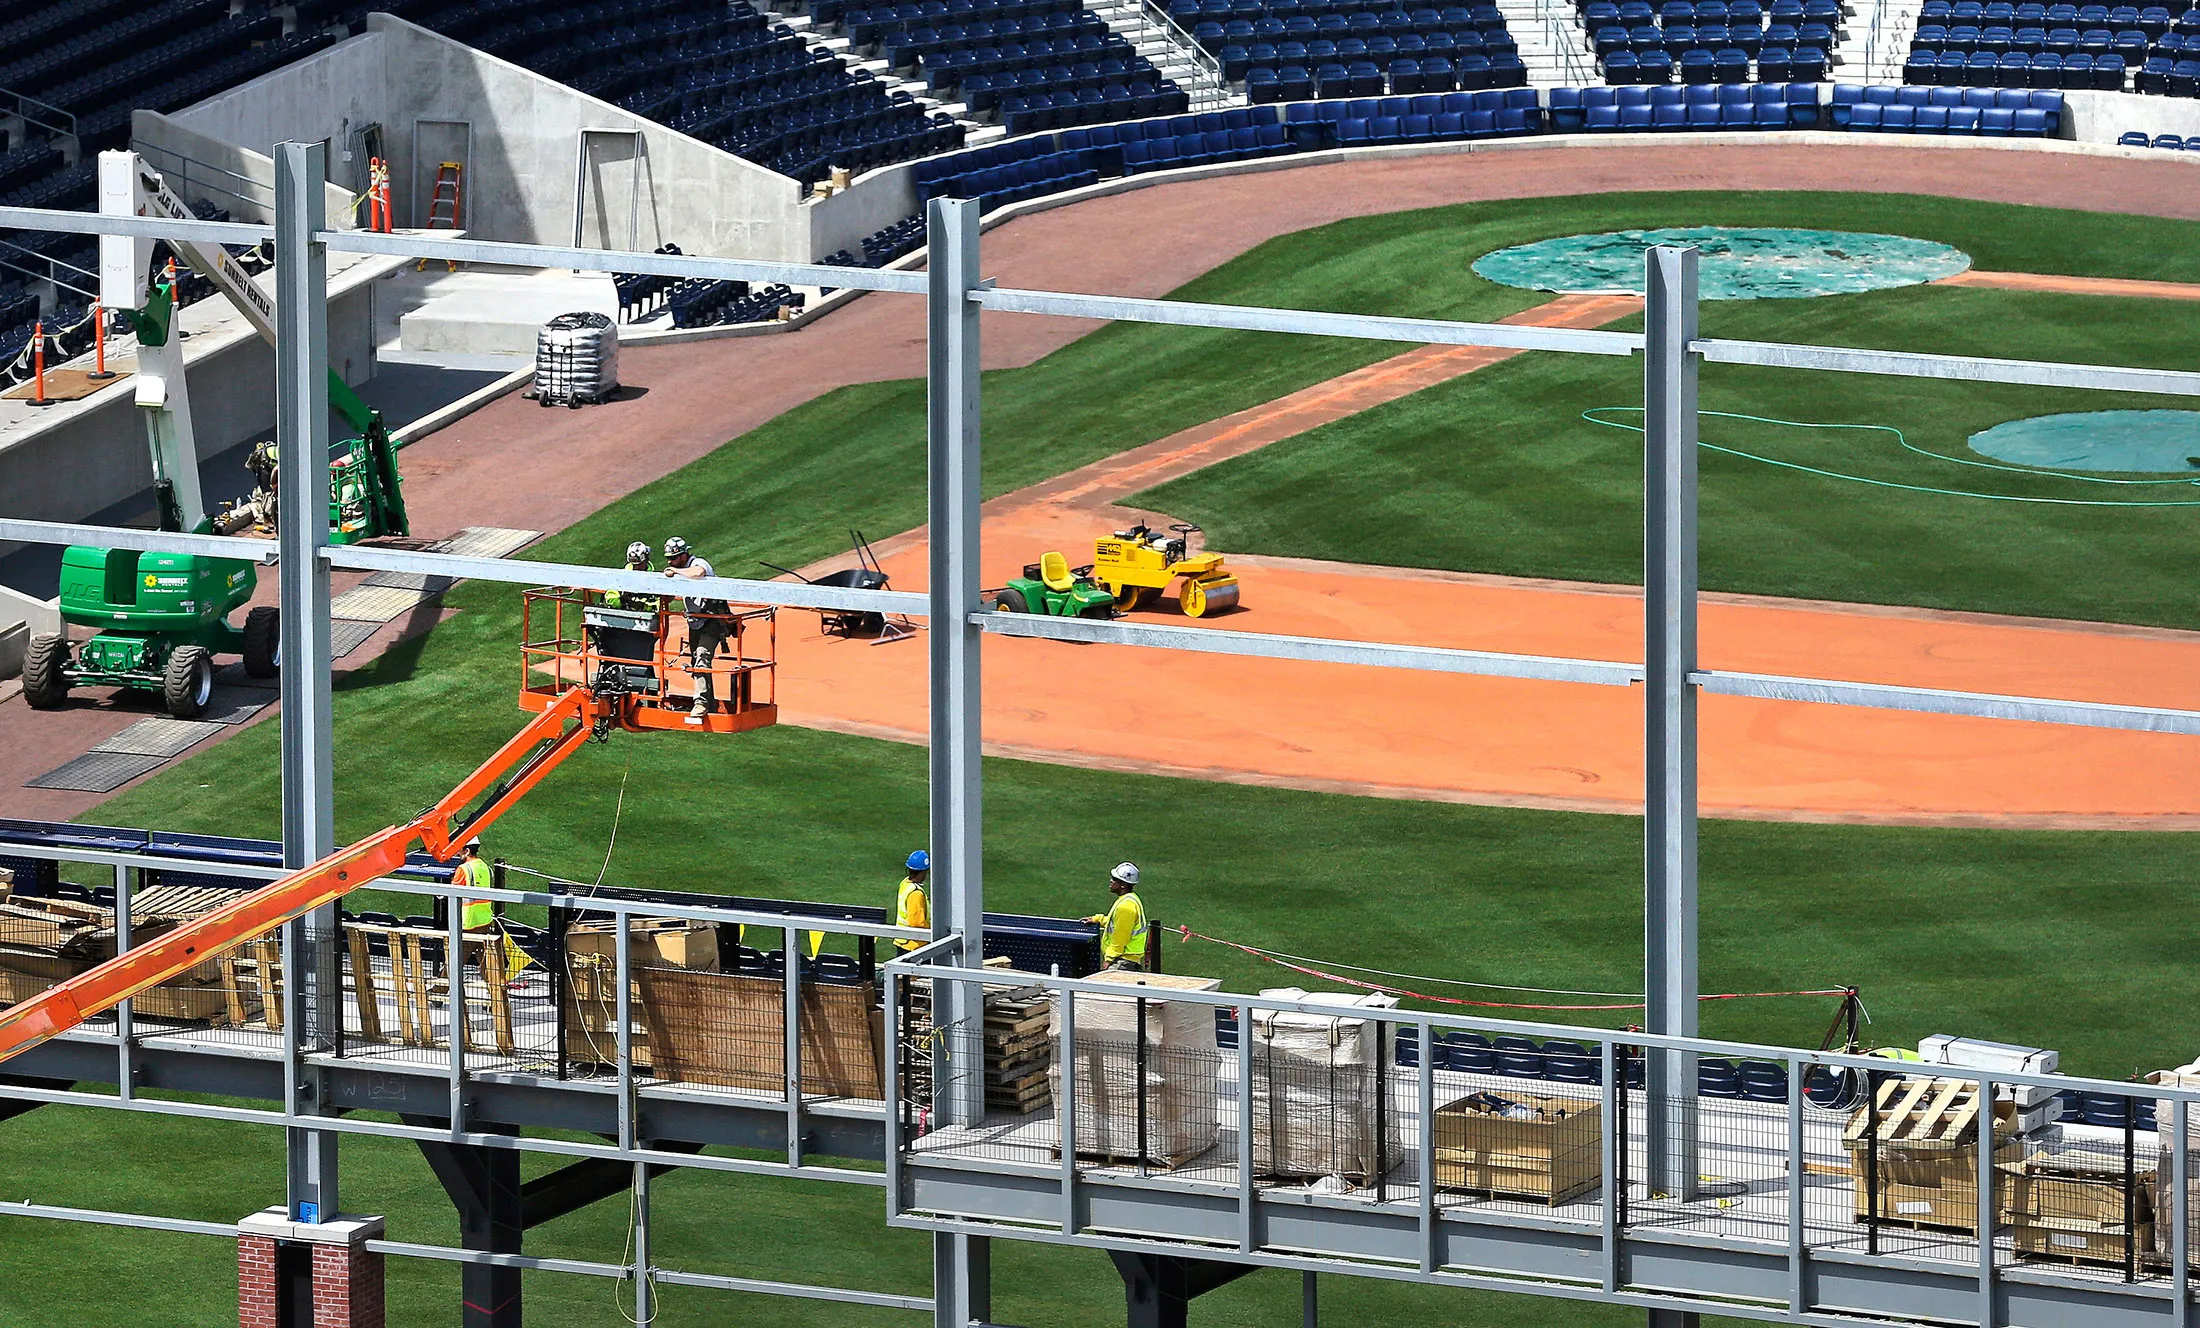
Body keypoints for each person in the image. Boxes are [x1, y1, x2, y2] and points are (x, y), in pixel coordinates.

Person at [663, 536, 729, 723]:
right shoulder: (680, 571)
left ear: (684, 555)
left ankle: (700, 703)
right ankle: (710, 704)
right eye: (669, 558)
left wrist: (675, 571)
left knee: (701, 656)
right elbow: (668, 597)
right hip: (695, 623)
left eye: (674, 558)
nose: (670, 561)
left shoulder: (698, 564)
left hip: (713, 620)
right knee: (697, 664)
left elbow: (699, 573)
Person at [1084, 862, 1148, 970]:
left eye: (1114, 879)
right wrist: (1098, 919)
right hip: (1126, 959)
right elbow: (1114, 923)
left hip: (1123, 960)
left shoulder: (1126, 907)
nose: (1111, 881)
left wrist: (1108, 960)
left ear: (1123, 885)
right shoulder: (1129, 899)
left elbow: (1120, 938)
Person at [893, 850, 930, 952]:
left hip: (902, 940)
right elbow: (917, 923)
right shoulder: (916, 893)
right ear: (923, 872)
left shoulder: (905, 883)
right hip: (914, 945)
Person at [457, 839, 496, 931]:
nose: (457, 853)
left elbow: (451, 893)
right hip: (485, 921)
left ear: (467, 851)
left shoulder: (463, 869)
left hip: (468, 922)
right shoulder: (485, 866)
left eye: (460, 850)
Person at [602, 541, 654, 610]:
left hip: (647, 618)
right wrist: (622, 601)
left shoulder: (654, 580)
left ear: (647, 559)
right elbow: (610, 599)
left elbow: (659, 605)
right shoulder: (620, 577)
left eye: (639, 564)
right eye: (634, 565)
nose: (636, 568)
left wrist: (643, 606)